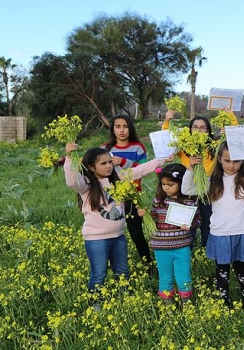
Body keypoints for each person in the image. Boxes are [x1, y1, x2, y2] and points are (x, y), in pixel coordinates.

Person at [64, 144, 168, 308]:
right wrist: (69, 158)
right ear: (91, 167)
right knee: (99, 274)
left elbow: (139, 170)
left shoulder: (117, 179)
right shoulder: (86, 185)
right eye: (103, 164)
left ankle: (124, 298)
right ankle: (95, 304)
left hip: (118, 236)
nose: (108, 166)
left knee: (122, 271)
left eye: (110, 162)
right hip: (96, 239)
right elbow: (72, 181)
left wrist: (161, 160)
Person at [182, 136, 244, 307]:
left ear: (243, 161)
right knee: (222, 273)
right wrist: (191, 168)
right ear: (219, 160)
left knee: (243, 272)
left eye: (236, 161)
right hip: (220, 233)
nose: (232, 165)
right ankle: (224, 304)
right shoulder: (212, 181)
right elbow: (186, 189)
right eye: (227, 160)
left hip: (242, 232)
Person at [141, 163, 201, 305]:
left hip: (182, 246)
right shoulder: (158, 201)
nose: (166, 188)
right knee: (165, 278)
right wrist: (144, 215)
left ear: (181, 183)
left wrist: (190, 225)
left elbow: (198, 221)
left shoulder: (189, 202)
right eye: (163, 184)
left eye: (170, 184)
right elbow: (153, 218)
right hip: (161, 248)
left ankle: (188, 307)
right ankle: (168, 308)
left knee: (184, 278)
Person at [103, 114, 152, 266]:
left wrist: (124, 162)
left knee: (136, 233)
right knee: (111, 233)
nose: (122, 130)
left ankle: (148, 264)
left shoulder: (138, 147)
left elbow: (144, 169)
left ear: (130, 128)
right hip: (112, 198)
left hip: (133, 196)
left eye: (125, 127)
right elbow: (92, 164)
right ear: (113, 129)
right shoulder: (105, 148)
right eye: (118, 127)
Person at [163, 111, 216, 248]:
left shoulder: (214, 147)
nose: (198, 130)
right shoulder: (184, 146)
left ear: (208, 130)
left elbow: (234, 139)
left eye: (203, 127)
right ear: (190, 130)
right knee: (187, 226)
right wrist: (168, 121)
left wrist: (230, 120)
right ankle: (188, 251)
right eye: (195, 127)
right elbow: (166, 138)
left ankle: (207, 253)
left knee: (208, 224)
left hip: (206, 192)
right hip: (187, 192)